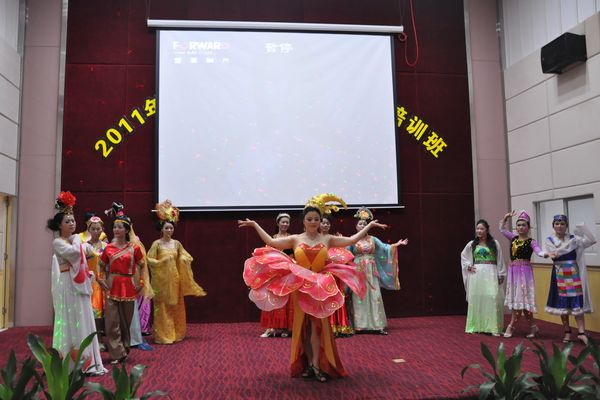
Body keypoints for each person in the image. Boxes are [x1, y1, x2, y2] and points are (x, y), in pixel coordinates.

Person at [239, 193, 389, 382]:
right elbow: (271, 242)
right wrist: (255, 225)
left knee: (318, 327)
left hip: (320, 288)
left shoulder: (327, 239)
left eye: (316, 219)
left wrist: (369, 226)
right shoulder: (295, 239)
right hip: (300, 287)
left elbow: (352, 240)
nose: (313, 222)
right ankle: (308, 364)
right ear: (303, 221)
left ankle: (318, 365)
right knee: (303, 327)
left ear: (320, 221)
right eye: (309, 219)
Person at [47, 191, 106, 375]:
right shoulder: (58, 242)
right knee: (70, 318)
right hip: (67, 283)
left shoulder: (75, 241)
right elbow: (75, 254)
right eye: (67, 221)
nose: (72, 223)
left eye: (73, 220)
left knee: (83, 317)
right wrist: (78, 243)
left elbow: (89, 250)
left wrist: (81, 244)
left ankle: (87, 361)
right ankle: (70, 363)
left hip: (78, 282)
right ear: (59, 225)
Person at [146, 199, 207, 344]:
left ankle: (177, 332)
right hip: (161, 281)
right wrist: (162, 262)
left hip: (174, 279)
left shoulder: (177, 244)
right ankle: (163, 335)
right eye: (166, 228)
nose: (169, 231)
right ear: (161, 229)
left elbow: (186, 256)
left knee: (176, 305)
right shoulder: (156, 244)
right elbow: (149, 260)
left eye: (171, 228)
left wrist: (184, 259)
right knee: (162, 307)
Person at [348, 207, 407, 335]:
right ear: (356, 226)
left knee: (374, 295)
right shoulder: (352, 239)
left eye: (364, 224)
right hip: (358, 270)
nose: (362, 226)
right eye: (360, 224)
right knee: (359, 296)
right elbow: (346, 253)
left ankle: (377, 325)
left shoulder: (373, 239)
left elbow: (385, 248)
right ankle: (360, 325)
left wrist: (396, 245)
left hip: (371, 270)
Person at [97, 208, 145, 364]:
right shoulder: (108, 248)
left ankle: (124, 349)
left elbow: (142, 265)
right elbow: (101, 265)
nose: (116, 230)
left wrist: (141, 282)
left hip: (128, 285)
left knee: (126, 322)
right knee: (112, 321)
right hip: (112, 284)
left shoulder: (134, 248)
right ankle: (116, 353)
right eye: (114, 227)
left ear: (126, 230)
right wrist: (100, 278)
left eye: (119, 227)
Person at [544, 214, 597, 345]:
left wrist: (583, 228)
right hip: (559, 273)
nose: (559, 226)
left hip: (573, 273)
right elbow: (555, 254)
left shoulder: (574, 239)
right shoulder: (550, 240)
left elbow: (591, 240)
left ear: (566, 226)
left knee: (577, 302)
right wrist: (570, 245)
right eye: (557, 223)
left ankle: (581, 332)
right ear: (553, 226)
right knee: (562, 303)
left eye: (562, 224)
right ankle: (567, 331)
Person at [500, 210, 548, 338]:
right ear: (516, 227)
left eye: (523, 225)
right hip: (513, 272)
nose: (521, 227)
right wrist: (505, 218)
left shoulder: (531, 241)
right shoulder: (513, 238)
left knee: (522, 299)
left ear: (528, 227)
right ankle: (533, 327)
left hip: (525, 273)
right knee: (521, 301)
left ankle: (511, 326)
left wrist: (545, 254)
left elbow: (538, 251)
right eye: (519, 225)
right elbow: (502, 230)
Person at [460, 219, 506, 336]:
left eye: (481, 228)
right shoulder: (472, 244)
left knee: (492, 297)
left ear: (487, 230)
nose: (479, 231)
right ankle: (476, 326)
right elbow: (463, 256)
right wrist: (468, 266)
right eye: (477, 228)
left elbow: (500, 259)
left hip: (491, 272)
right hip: (477, 274)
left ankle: (493, 327)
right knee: (477, 298)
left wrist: (501, 273)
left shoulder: (495, 243)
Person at [259, 213, 294, 338]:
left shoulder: (291, 239)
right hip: (274, 273)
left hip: (287, 273)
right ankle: (271, 327)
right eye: (283, 222)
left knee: (286, 301)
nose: (285, 224)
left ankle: (286, 328)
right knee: (272, 299)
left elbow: (294, 257)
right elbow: (267, 256)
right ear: (278, 223)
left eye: (287, 222)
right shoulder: (272, 239)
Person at [322, 215, 353, 337]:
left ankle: (339, 325)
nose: (325, 225)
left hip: (335, 274)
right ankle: (324, 327)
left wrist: (341, 246)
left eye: (327, 223)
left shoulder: (334, 239)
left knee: (337, 298)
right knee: (324, 299)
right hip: (321, 274)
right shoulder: (315, 239)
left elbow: (344, 256)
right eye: (323, 223)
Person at [81, 215, 108, 348]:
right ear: (89, 229)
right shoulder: (84, 246)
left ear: (102, 229)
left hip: (105, 282)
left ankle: (104, 340)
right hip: (91, 283)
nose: (96, 231)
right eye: (93, 229)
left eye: (98, 228)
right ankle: (95, 341)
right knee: (94, 313)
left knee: (106, 313)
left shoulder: (107, 246)